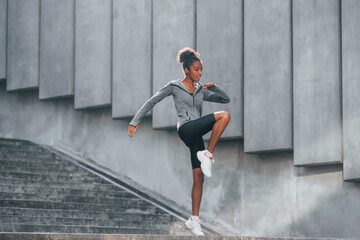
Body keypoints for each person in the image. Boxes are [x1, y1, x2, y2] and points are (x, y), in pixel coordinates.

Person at [128, 47, 230, 236]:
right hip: (185, 129)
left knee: (199, 176)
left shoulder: (201, 90)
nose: (199, 73)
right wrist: (135, 121)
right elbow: (152, 101)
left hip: (196, 136)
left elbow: (225, 99)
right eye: (196, 69)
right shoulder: (174, 86)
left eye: (201, 70)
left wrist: (214, 87)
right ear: (186, 70)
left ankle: (194, 220)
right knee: (224, 117)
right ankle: (208, 154)